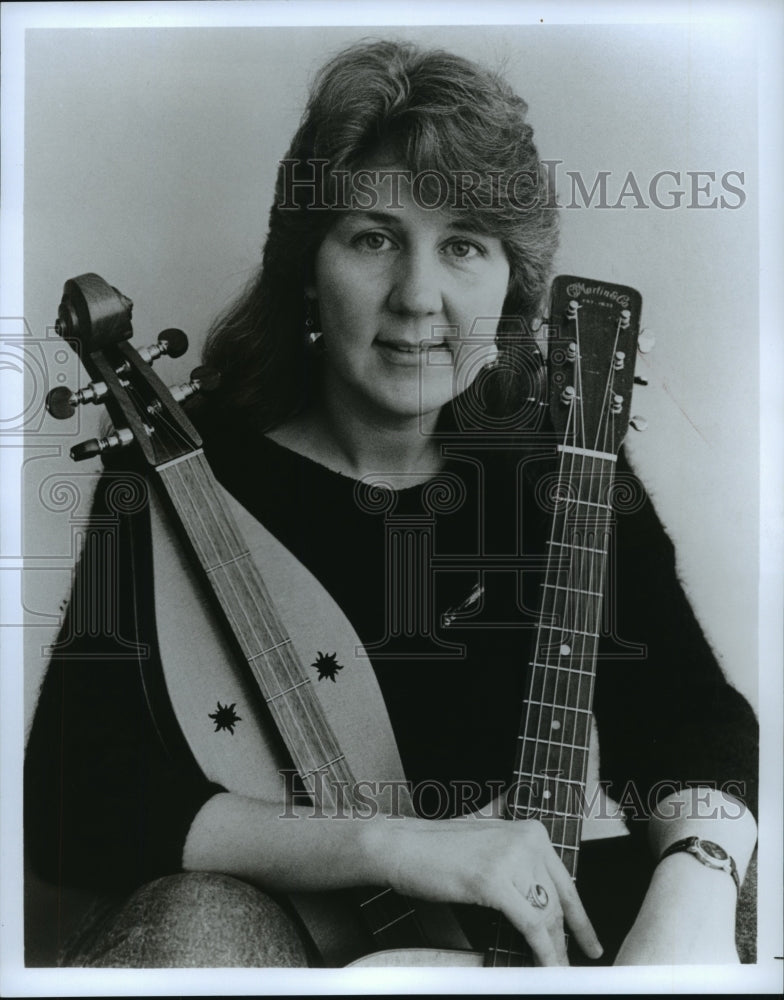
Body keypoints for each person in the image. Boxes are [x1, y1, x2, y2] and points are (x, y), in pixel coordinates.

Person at [24, 39, 758, 969]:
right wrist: (389, 845)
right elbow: (71, 798)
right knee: (195, 924)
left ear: (512, 283)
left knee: (738, 892)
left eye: (463, 246)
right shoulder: (186, 469)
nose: (419, 298)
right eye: (373, 238)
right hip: (290, 930)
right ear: (307, 266)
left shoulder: (554, 458)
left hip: (498, 937)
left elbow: (690, 716)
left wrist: (694, 880)